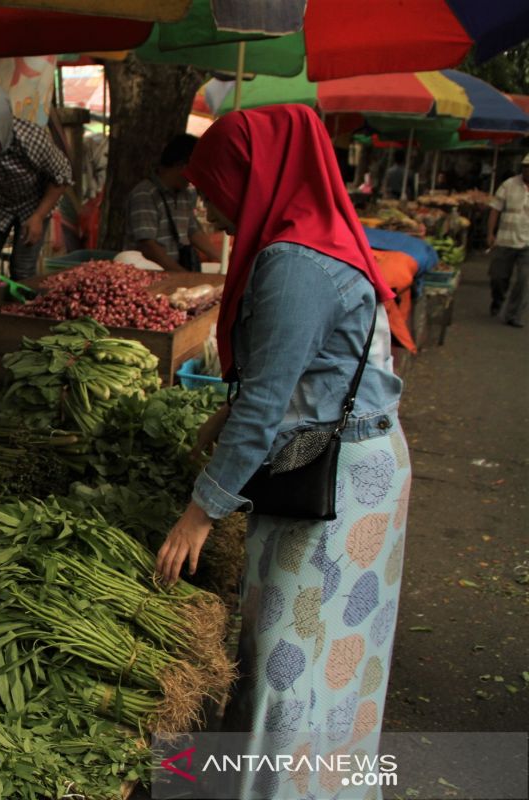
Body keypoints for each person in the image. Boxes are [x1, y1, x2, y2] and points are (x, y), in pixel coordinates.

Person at [154, 105, 407, 799]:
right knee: (337, 662)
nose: (206, 202)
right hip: (363, 462)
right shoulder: (316, 236)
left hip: (334, 477)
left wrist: (200, 512)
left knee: (287, 661)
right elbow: (298, 373)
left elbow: (270, 405)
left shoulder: (294, 263)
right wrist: (227, 418)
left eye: (215, 185)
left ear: (254, 173)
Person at [0, 84, 72, 287]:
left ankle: (21, 314)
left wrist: (38, 217)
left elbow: (62, 177)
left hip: (34, 203)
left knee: (23, 269)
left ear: (2, 128)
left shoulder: (32, 139)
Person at [128, 134, 218, 272]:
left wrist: (222, 259)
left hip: (177, 269)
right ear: (182, 166)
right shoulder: (145, 194)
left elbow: (192, 230)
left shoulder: (187, 193)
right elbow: (147, 245)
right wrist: (181, 275)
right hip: (150, 272)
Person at [485, 154, 529, 327]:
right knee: (498, 277)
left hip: (527, 243)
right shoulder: (509, 185)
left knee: (524, 280)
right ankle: (498, 301)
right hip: (505, 239)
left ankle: (513, 315)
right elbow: (495, 209)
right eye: (526, 167)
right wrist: (490, 233)